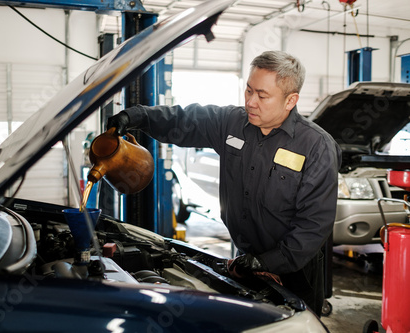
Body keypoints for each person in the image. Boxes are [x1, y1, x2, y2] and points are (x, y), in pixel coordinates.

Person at [107, 50, 342, 316]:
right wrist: (136, 117)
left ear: (291, 101)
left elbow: (313, 226)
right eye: (249, 91)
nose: (251, 102)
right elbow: (185, 119)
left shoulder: (316, 146)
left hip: (296, 269)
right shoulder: (232, 123)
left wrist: (267, 262)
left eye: (262, 95)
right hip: (244, 260)